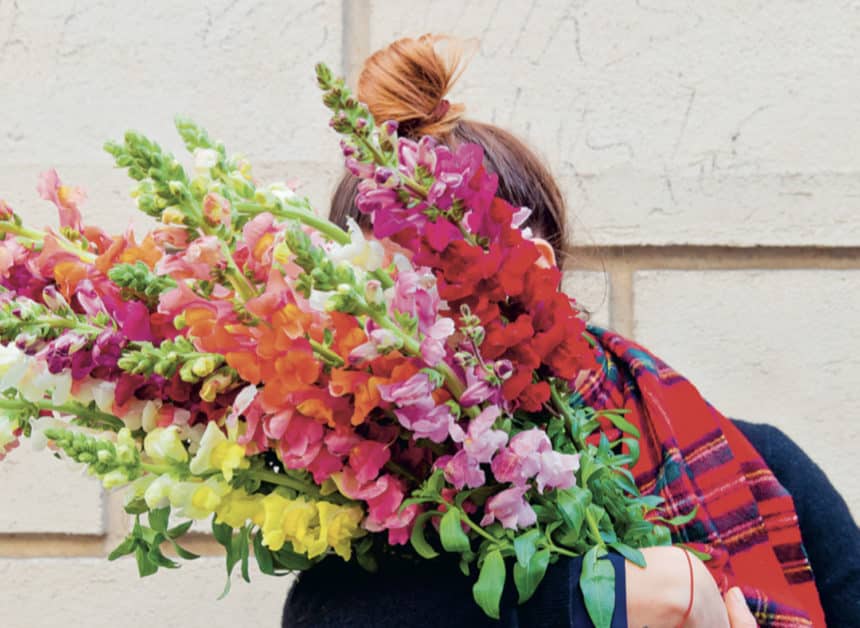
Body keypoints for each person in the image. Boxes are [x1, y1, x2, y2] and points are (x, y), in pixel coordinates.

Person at [284, 35, 859, 627]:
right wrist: (602, 597)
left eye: (470, 272)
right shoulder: (373, 523)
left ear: (545, 265)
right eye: (409, 290)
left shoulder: (761, 471)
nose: (450, 323)